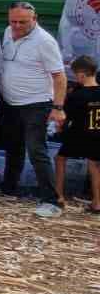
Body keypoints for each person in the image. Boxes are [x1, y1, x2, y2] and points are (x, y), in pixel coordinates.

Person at [0, 1, 68, 218]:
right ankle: (9, 187)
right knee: (13, 146)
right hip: (11, 102)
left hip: (37, 104)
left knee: (37, 150)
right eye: (13, 21)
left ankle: (52, 200)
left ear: (34, 19)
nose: (17, 26)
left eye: (23, 22)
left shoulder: (44, 42)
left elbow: (59, 76)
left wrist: (58, 107)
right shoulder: (8, 32)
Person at [55, 54, 100, 213]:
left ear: (81, 74)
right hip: (97, 135)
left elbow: (65, 117)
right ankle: (97, 202)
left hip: (78, 134)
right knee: (94, 165)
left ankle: (59, 196)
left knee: (60, 159)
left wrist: (60, 128)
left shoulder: (76, 96)